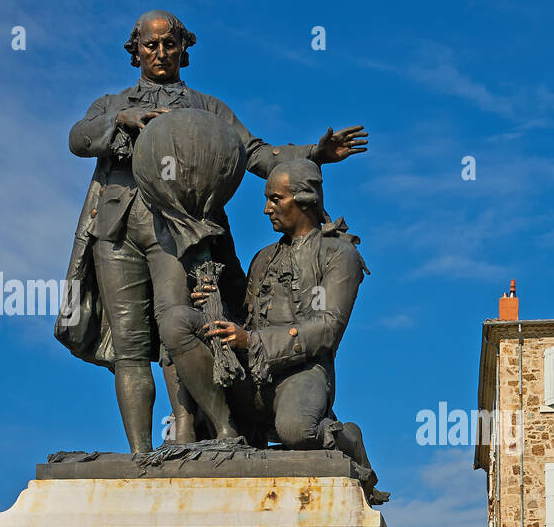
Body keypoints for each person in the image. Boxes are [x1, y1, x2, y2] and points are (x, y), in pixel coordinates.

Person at [56, 9, 367, 452]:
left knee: (175, 329)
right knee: (129, 346)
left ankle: (185, 433)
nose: (160, 52)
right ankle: (141, 454)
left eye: (169, 44)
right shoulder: (112, 104)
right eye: (150, 44)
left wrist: (313, 153)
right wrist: (120, 122)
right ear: (135, 51)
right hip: (119, 228)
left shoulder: (209, 110)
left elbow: (259, 154)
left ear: (184, 48)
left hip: (180, 232)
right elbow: (78, 139)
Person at [162, 159, 386, 502]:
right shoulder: (263, 258)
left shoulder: (340, 255)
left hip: (303, 372)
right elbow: (246, 319)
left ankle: (347, 438)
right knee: (176, 320)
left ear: (305, 199)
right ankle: (227, 428)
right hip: (250, 372)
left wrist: (252, 340)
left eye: (276, 199)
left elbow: (328, 329)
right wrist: (213, 306)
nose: (267, 209)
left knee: (297, 431)